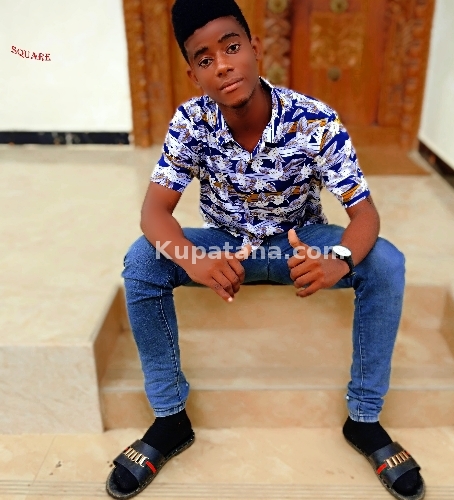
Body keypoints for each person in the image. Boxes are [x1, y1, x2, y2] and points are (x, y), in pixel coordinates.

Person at [106, 1, 425, 499]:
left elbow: (365, 215)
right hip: (229, 247)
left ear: (255, 48)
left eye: (232, 47)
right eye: (205, 59)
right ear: (194, 75)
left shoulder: (314, 119)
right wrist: (195, 260)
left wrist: (337, 260)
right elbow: (154, 212)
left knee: (385, 261)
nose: (223, 65)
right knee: (142, 260)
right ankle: (170, 419)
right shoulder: (190, 122)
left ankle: (364, 419)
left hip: (298, 247)